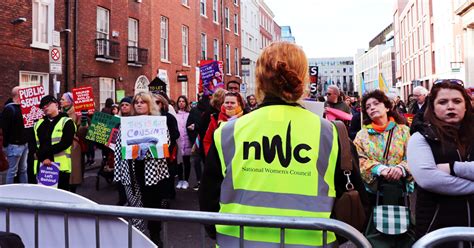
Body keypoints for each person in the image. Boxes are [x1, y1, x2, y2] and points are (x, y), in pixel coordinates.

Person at [199, 42, 343, 247]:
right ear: (302, 79)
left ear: (259, 80)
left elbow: (208, 199)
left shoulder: (228, 132)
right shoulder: (329, 132)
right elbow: (352, 202)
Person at [407, 80, 474, 244]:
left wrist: (453, 168)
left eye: (457, 101)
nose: (450, 106)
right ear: (433, 107)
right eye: (443, 102)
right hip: (437, 229)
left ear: (466, 106)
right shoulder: (421, 137)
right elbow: (429, 179)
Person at [113, 92, 170, 246]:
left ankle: (155, 237)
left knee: (153, 206)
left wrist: (147, 148)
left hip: (151, 171)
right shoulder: (126, 123)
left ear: (149, 104)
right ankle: (138, 239)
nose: (138, 104)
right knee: (135, 207)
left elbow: (166, 145)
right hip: (130, 171)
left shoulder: (158, 122)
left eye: (142, 102)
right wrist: (118, 174)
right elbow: (118, 150)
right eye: (136, 102)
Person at [353, 90, 411, 194]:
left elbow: (413, 157)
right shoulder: (362, 135)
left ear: (387, 107)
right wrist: (379, 169)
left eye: (376, 103)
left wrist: (400, 168)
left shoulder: (403, 131)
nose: (372, 108)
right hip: (372, 192)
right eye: (368, 107)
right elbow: (358, 160)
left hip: (399, 191)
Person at [33, 95, 75, 191]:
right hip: (42, 166)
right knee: (43, 199)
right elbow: (34, 145)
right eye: (43, 107)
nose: (45, 108)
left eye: (47, 105)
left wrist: (46, 156)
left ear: (56, 104)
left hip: (60, 168)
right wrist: (44, 158)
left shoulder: (67, 122)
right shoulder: (38, 124)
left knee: (60, 200)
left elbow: (65, 143)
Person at [202, 91, 244, 156]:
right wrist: (211, 157)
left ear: (238, 104)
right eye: (227, 102)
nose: (229, 105)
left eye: (232, 103)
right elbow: (207, 141)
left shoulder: (246, 117)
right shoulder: (215, 119)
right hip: (220, 160)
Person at [2, 86, 28, 184]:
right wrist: (7, 145)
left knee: (23, 170)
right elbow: (5, 128)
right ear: (19, 94)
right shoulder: (9, 109)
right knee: (12, 171)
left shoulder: (24, 108)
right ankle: (8, 194)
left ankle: (24, 192)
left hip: (24, 144)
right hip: (14, 145)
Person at [59, 92, 82, 192]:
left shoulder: (77, 113)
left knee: (73, 172)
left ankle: (73, 190)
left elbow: (81, 131)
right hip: (61, 145)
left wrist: (84, 123)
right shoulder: (59, 113)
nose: (60, 101)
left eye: (62, 99)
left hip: (73, 145)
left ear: (69, 101)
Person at [175, 95, 192, 190]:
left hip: (187, 140)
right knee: (179, 162)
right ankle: (180, 180)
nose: (181, 103)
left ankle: (186, 180)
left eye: (183, 101)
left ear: (186, 103)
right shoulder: (175, 114)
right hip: (178, 141)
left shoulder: (189, 114)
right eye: (179, 101)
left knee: (186, 161)